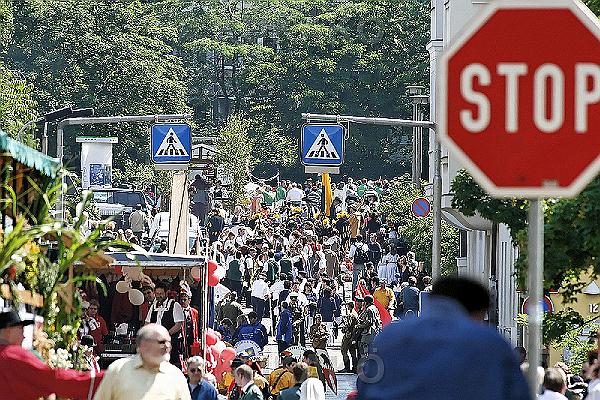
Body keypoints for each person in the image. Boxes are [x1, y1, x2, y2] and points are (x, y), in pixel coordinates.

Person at [356, 276, 530, 400]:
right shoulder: (490, 343)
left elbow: (365, 385)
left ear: (431, 299)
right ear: (479, 311)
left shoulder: (389, 336)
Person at [0, 310, 104, 399]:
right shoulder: (12, 355)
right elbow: (52, 379)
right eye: (21, 330)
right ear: (8, 330)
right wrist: (103, 379)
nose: (23, 336)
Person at [94, 323, 191, 399]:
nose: (167, 346)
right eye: (162, 342)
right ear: (144, 345)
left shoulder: (175, 375)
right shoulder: (118, 370)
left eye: (169, 342)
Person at [145, 282, 185, 366]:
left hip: (170, 343)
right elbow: (147, 322)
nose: (159, 296)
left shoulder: (175, 305)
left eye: (161, 294)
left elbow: (178, 324)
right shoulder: (153, 306)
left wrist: (166, 335)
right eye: (157, 294)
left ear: (166, 293)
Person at [339, 301, 359, 373]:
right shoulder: (355, 313)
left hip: (348, 336)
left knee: (344, 350)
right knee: (353, 352)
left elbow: (348, 325)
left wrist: (344, 330)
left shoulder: (350, 315)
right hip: (353, 335)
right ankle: (355, 368)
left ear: (349, 306)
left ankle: (347, 368)